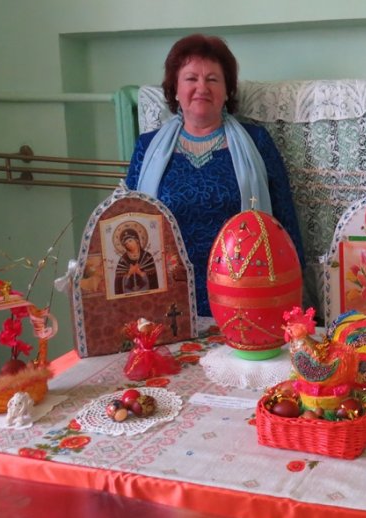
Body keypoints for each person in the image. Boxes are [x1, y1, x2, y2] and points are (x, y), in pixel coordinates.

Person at [125, 34, 304, 319]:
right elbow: (129, 222)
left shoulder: (257, 142)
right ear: (174, 89)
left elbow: (284, 224)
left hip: (245, 299)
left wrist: (291, 299)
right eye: (191, 78)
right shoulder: (147, 148)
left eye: (212, 79)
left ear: (227, 90)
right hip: (167, 305)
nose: (202, 88)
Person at [114, 226, 159, 295]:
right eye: (126, 243)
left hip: (147, 293)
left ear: (137, 240)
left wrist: (140, 273)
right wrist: (129, 274)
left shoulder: (147, 256)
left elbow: (153, 279)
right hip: (129, 294)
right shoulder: (123, 260)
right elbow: (118, 284)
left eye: (130, 241)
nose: (128, 244)